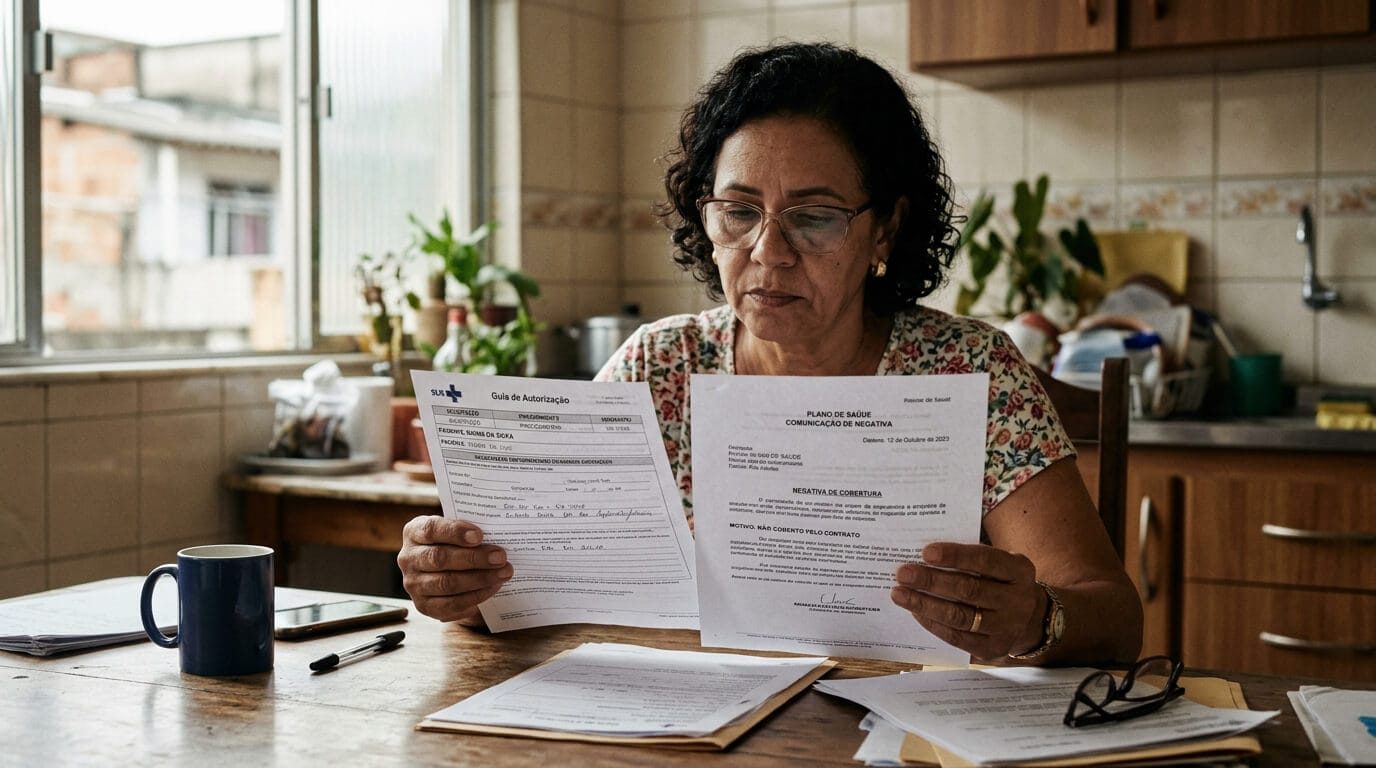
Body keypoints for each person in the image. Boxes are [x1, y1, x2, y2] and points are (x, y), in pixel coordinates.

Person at [398, 41, 1143, 665]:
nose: (769, 252)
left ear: (884, 231)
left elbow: (1111, 615)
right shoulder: (658, 370)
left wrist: (1036, 619)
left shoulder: (967, 371)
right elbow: (536, 590)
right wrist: (462, 586)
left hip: (904, 728)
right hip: (682, 722)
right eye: (739, 211)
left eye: (814, 218)